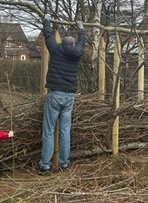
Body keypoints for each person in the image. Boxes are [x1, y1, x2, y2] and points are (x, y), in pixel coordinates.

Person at [38, 14, 87, 175]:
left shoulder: (56, 49)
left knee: (49, 130)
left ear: (62, 43)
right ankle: (65, 163)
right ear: (73, 45)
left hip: (55, 94)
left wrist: (47, 21)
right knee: (65, 131)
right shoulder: (77, 53)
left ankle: (45, 165)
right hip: (69, 97)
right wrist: (81, 29)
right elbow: (81, 42)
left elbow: (48, 36)